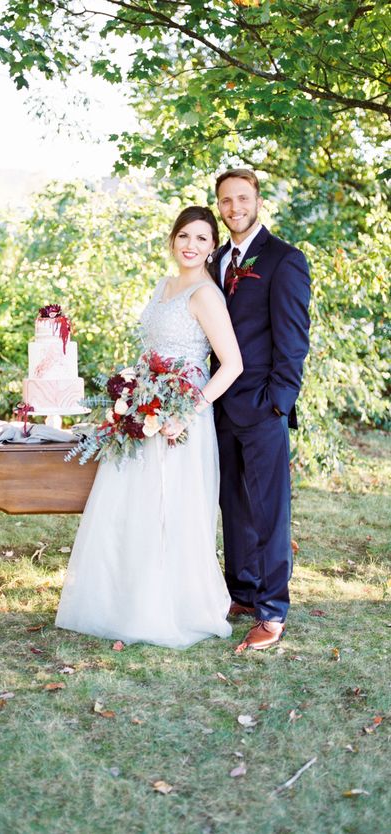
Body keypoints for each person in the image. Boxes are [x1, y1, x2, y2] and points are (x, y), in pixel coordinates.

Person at [55, 207, 243, 649]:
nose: (191, 245)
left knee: (170, 506)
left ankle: (170, 606)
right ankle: (123, 601)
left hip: (181, 416)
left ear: (212, 246)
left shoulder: (205, 295)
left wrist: (187, 410)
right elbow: (152, 349)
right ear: (172, 240)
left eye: (201, 238)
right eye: (183, 236)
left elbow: (231, 364)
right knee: (133, 504)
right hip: (144, 409)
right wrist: (130, 393)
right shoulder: (165, 285)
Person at [212, 169, 311, 652]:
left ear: (258, 201)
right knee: (233, 505)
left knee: (270, 513)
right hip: (220, 409)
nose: (235, 208)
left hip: (263, 406)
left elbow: (293, 341)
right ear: (219, 205)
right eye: (227, 200)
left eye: (243, 198)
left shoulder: (284, 260)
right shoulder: (213, 261)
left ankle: (272, 610)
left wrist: (278, 402)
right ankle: (243, 592)